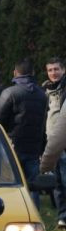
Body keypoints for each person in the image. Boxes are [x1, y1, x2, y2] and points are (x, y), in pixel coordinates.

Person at [0, 59, 47, 202]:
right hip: (34, 148)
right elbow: (43, 124)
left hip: (12, 146)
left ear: (15, 73)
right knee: (33, 186)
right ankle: (34, 215)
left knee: (9, 185)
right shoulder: (42, 95)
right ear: (33, 73)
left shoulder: (10, 93)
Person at [42, 57, 66, 215]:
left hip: (63, 142)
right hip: (50, 142)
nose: (53, 73)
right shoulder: (45, 91)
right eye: (50, 70)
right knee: (56, 182)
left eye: (56, 69)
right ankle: (62, 216)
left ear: (63, 70)